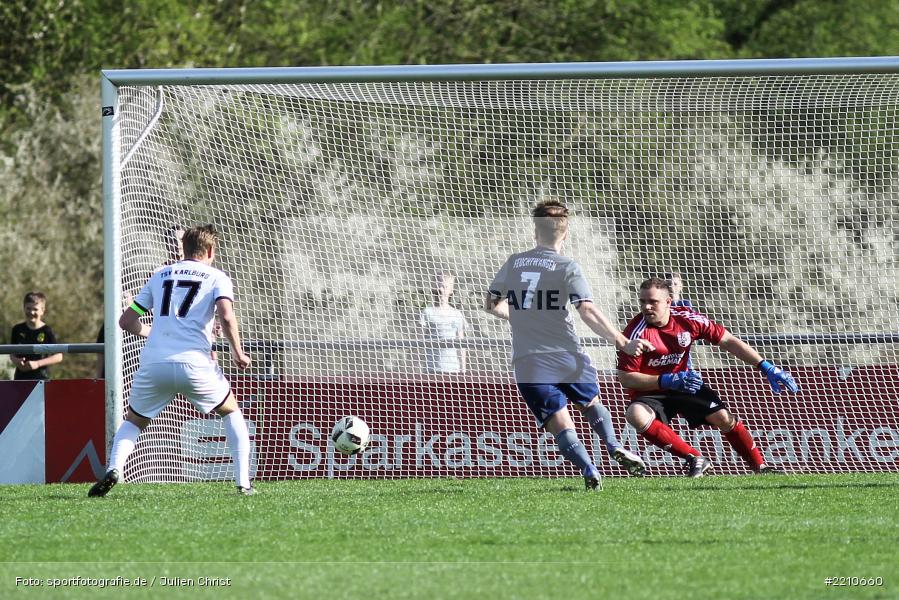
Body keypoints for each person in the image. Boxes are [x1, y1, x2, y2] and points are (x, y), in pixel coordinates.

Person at [485, 199, 653, 490]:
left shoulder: (514, 262)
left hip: (528, 361)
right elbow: (586, 310)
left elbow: (491, 303)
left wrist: (516, 315)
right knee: (591, 403)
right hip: (566, 355)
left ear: (535, 232)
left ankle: (589, 469)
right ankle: (613, 445)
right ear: (565, 234)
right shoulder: (566, 266)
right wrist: (623, 342)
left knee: (560, 424)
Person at [89, 224, 254, 497]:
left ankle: (114, 469)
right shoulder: (217, 276)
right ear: (210, 250)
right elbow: (226, 315)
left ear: (185, 249)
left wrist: (153, 332)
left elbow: (126, 321)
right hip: (195, 364)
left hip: (155, 363)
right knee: (231, 411)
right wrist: (238, 352)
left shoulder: (160, 275)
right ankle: (243, 484)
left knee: (133, 422)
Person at [616, 277, 799, 477]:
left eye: (653, 302)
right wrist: (666, 380)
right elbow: (626, 378)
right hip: (651, 391)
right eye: (642, 302)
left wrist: (764, 366)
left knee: (723, 418)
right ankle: (695, 458)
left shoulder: (688, 319)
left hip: (684, 383)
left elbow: (728, 340)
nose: (647, 307)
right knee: (635, 414)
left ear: (668, 302)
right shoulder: (634, 333)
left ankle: (760, 468)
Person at [9, 291, 63, 380]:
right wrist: (17, 361)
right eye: (28, 308)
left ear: (42, 311)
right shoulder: (17, 329)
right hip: (19, 379)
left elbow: (58, 356)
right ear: (24, 308)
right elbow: (12, 353)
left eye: (35, 309)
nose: (31, 312)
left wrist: (37, 363)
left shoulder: (47, 331)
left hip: (41, 378)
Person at [420, 271, 467, 374]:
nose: (441, 290)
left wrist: (463, 370)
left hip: (453, 370)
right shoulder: (427, 313)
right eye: (439, 286)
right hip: (432, 369)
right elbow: (418, 343)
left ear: (451, 290)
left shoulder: (457, 314)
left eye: (444, 287)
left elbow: (461, 345)